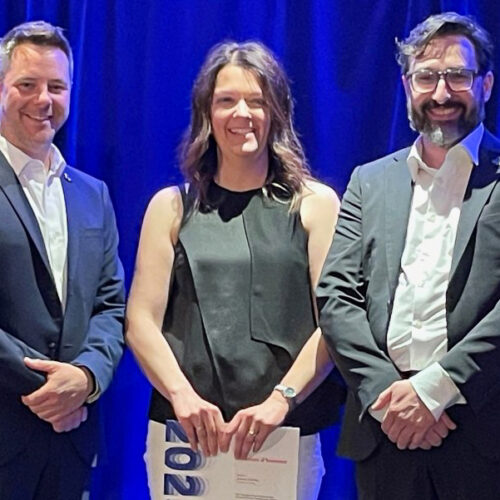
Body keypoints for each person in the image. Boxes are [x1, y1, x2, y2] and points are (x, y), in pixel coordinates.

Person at [126, 40, 345, 500]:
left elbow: (333, 322)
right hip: (186, 435)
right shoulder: (170, 207)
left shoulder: (315, 205)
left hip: (281, 436)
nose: (241, 113)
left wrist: (281, 401)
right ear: (207, 112)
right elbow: (141, 321)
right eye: (227, 100)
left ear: (277, 112)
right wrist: (182, 396)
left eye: (256, 101)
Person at [317, 11, 500, 500]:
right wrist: (385, 394)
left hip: (482, 432)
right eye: (426, 77)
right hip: (385, 430)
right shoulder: (369, 181)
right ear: (406, 86)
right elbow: (335, 296)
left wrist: (435, 390)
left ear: (485, 85)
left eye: (457, 76)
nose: (441, 93)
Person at [0, 21, 125, 499]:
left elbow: (111, 306)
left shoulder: (93, 195)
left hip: (72, 444)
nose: (43, 100)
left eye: (56, 86)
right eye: (27, 85)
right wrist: (53, 389)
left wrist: (86, 378)